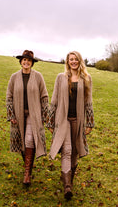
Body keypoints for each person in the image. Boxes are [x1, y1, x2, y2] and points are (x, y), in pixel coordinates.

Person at [47, 51, 94, 200]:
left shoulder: (86, 79)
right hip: (63, 120)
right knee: (66, 150)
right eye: (70, 59)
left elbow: (88, 101)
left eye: (75, 59)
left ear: (80, 61)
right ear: (67, 62)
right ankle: (67, 186)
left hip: (78, 120)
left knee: (74, 151)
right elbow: (54, 99)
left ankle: (69, 181)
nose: (73, 62)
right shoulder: (61, 78)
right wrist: (50, 120)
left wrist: (90, 122)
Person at [6, 50, 48, 186]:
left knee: (29, 140)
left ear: (32, 63)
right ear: (21, 62)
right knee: (22, 142)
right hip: (18, 114)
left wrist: (44, 114)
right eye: (24, 60)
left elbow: (44, 97)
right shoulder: (14, 77)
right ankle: (28, 167)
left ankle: (27, 174)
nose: (26, 62)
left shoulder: (38, 77)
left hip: (33, 114)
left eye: (29, 61)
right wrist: (11, 114)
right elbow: (9, 97)